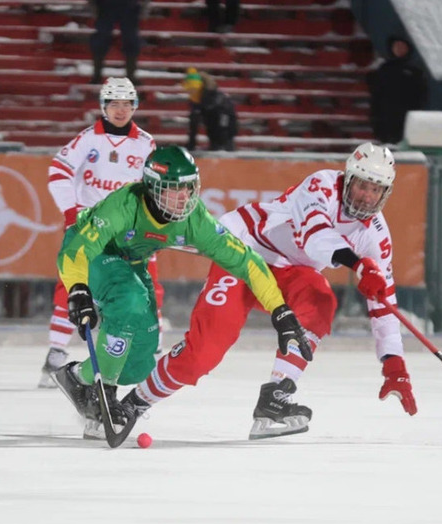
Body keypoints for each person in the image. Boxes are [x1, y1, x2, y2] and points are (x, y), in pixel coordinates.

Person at [120, 142, 417, 440]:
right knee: (204, 352)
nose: (367, 197)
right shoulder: (321, 185)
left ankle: (276, 395)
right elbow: (315, 236)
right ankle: (133, 403)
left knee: (320, 300)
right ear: (348, 179)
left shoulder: (376, 235)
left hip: (288, 271)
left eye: (376, 190)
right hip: (242, 252)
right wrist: (359, 265)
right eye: (363, 186)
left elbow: (384, 303)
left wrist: (393, 363)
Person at [50, 145, 312, 440]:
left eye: (188, 188)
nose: (184, 197)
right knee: (130, 300)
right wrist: (78, 289)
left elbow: (246, 261)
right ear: (151, 187)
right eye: (174, 189)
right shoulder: (124, 205)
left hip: (132, 262)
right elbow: (79, 249)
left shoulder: (194, 219)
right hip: (94, 254)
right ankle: (103, 397)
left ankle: (76, 377)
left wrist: (280, 309)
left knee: (139, 365)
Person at [39, 77, 159, 389]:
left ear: (135, 106)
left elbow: (154, 188)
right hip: (92, 227)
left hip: (131, 233)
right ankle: (56, 353)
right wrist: (72, 213)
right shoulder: (87, 139)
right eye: (114, 103)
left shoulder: (146, 142)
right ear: (103, 106)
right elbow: (58, 172)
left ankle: (142, 349)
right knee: (74, 285)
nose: (121, 110)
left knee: (145, 287)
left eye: (127, 104)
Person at [366, 36, 428, 144]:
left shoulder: (415, 72)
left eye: (402, 46)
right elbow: (376, 95)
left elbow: (422, 96)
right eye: (396, 46)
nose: (399, 49)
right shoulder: (384, 69)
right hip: (386, 116)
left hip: (407, 117)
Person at [181, 68, 237, 152]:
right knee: (215, 142)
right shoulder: (195, 100)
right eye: (189, 90)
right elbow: (193, 123)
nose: (190, 92)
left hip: (224, 122)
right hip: (212, 124)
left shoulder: (217, 99)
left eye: (193, 90)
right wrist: (191, 144)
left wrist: (223, 138)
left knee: (224, 144)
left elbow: (224, 117)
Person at [89, 0, 142, 84]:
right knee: (101, 38)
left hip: (124, 6)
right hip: (108, 6)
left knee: (130, 39)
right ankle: (97, 75)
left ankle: (131, 76)